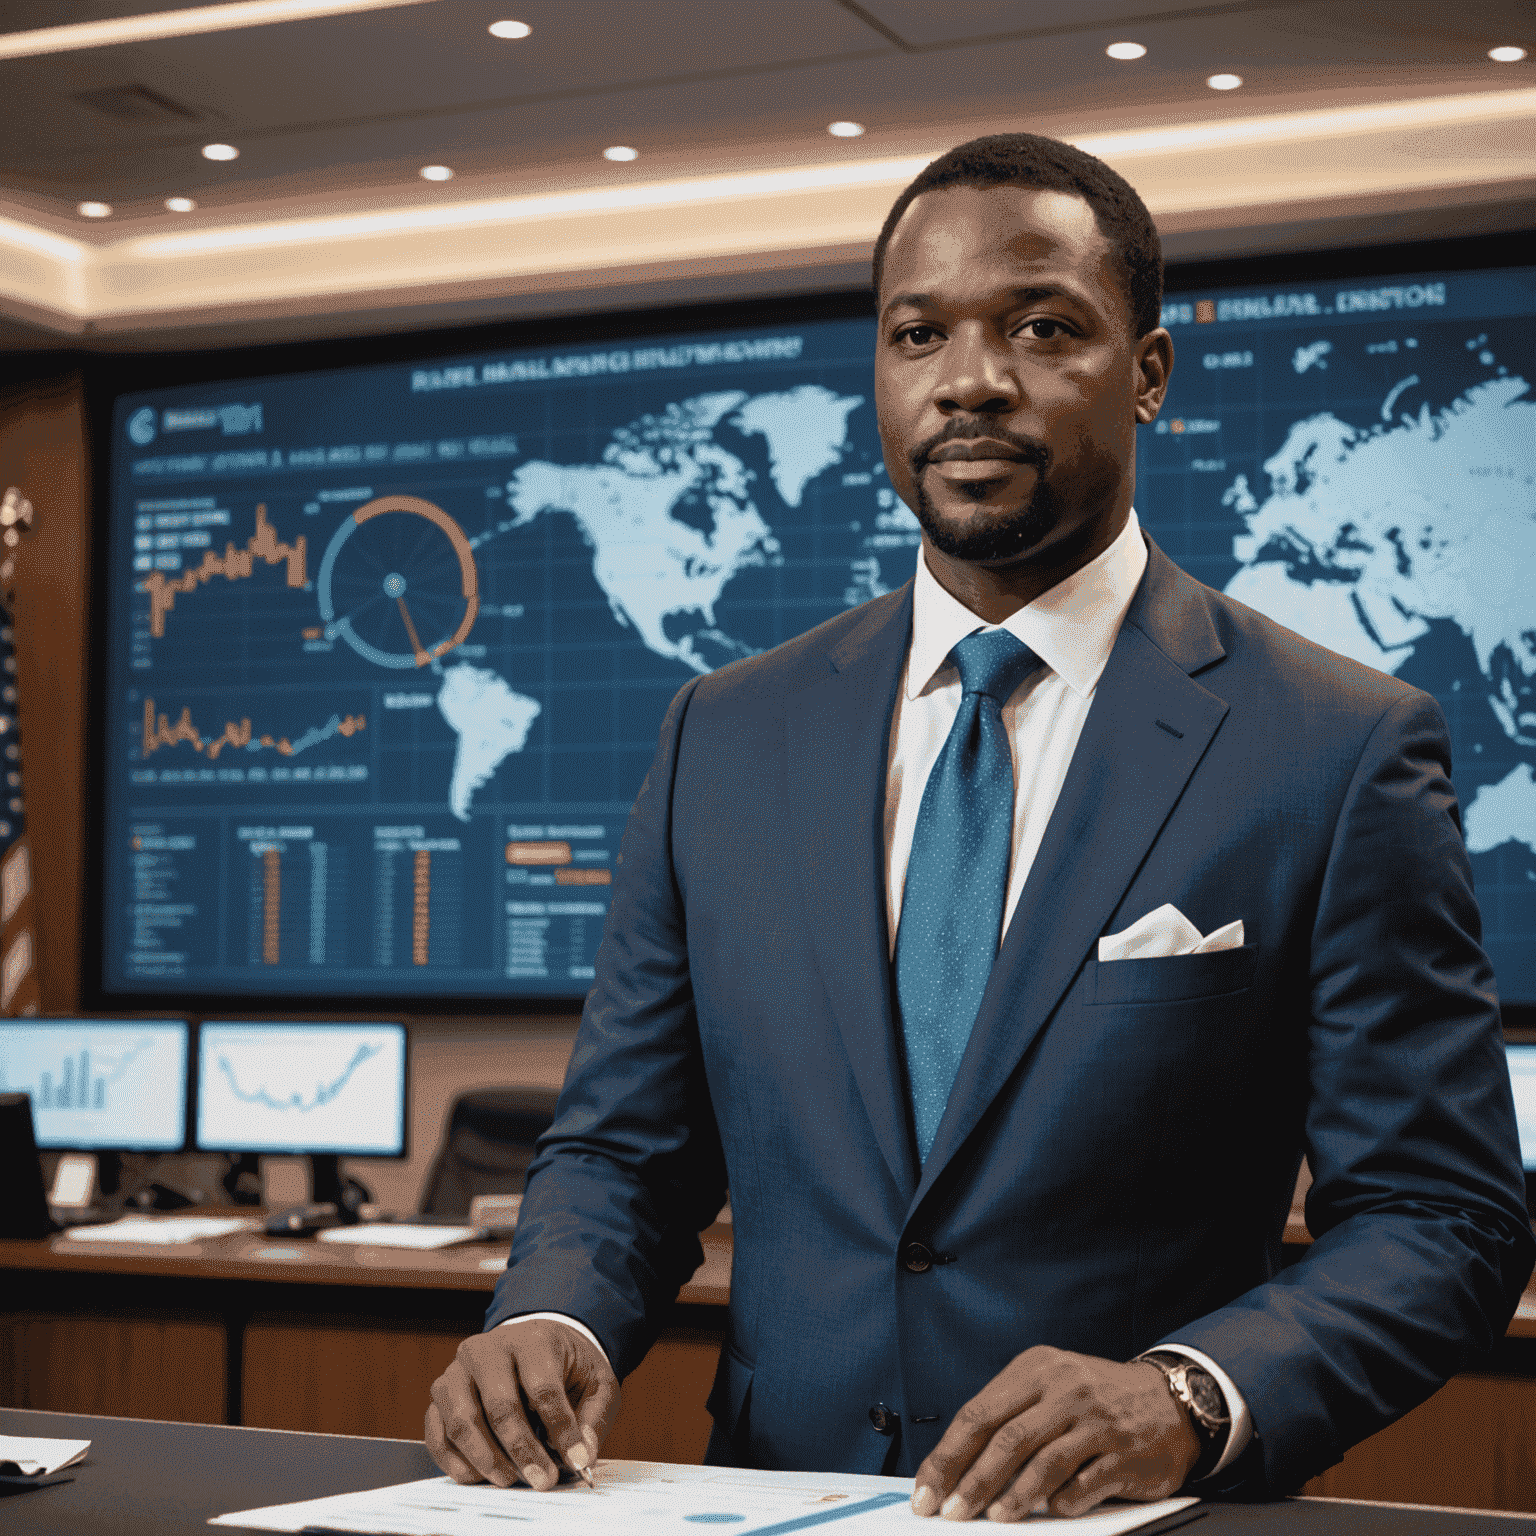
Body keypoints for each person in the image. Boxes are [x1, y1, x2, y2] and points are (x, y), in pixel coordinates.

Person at [425, 133, 1535, 1519]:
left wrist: (1189, 1395)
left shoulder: (1336, 745)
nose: (971, 379)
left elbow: (1445, 1218)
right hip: (773, 1502)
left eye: (1042, 327)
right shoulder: (724, 732)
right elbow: (621, 1147)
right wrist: (555, 1320)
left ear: (1148, 375)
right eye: (918, 333)